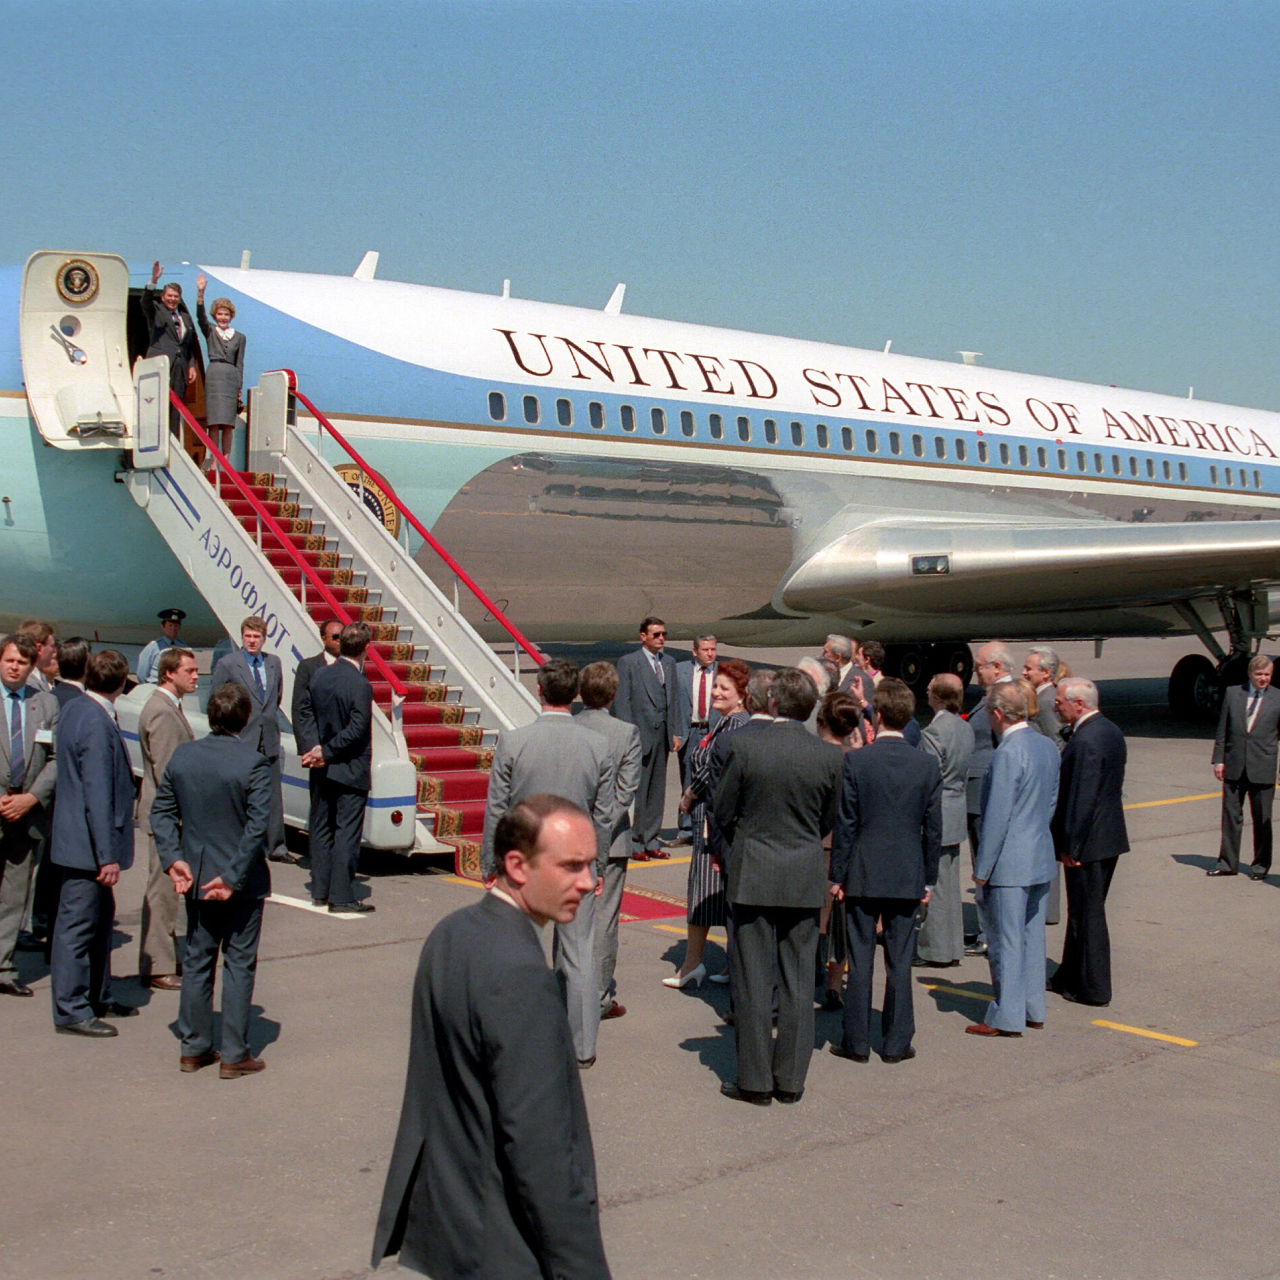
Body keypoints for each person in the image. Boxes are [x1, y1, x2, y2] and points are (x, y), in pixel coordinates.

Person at [372, 795, 611, 1278]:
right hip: (503, 1245)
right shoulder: (520, 974)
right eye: (571, 866)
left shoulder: (451, 932)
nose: (588, 882)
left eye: (591, 865)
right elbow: (539, 1149)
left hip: (451, 1226)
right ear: (517, 865)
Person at [713, 668, 842, 1105]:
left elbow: (723, 809)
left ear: (772, 704)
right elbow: (829, 819)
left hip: (754, 871)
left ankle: (755, 1080)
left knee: (752, 979)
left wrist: (745, 843)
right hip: (804, 873)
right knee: (800, 979)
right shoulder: (827, 755)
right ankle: (790, 1079)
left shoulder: (746, 745)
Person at [480, 658, 612, 1066]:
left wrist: (492, 862)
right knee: (579, 956)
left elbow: (496, 809)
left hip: (528, 864)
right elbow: (603, 815)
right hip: (575, 862)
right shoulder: (597, 746)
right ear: (574, 696)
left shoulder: (514, 742)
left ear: (540, 691)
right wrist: (600, 865)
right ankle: (582, 1048)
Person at [152, 683, 273, 1078]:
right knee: (238, 964)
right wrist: (234, 876)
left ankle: (194, 1047)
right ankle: (235, 1052)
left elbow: (162, 813)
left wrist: (174, 860)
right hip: (240, 881)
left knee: (198, 960)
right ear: (245, 718)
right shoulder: (252, 763)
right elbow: (258, 829)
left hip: (198, 875)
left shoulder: (185, 757)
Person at [830, 678, 942, 1065]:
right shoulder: (927, 765)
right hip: (907, 872)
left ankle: (856, 1041)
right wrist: (929, 879)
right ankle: (896, 1042)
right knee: (900, 960)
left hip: (863, 870)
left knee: (860, 960)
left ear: (876, 716)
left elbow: (846, 823)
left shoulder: (857, 761)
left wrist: (838, 875)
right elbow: (934, 828)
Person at [49, 650, 136, 1038]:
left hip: (77, 840)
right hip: (88, 847)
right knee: (77, 928)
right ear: (121, 682)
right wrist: (107, 856)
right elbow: (97, 794)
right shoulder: (97, 722)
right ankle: (71, 1008)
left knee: (99, 924)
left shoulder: (76, 708)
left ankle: (96, 995)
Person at [966, 681, 1060, 1038]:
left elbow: (997, 816)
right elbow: (1050, 801)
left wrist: (983, 868)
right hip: (1039, 853)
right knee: (1032, 938)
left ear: (997, 714)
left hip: (1010, 862)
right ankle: (1034, 1007)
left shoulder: (1007, 753)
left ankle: (1007, 1014)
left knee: (1006, 941)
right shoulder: (1046, 745)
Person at [667, 658, 751, 988]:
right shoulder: (722, 722)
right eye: (715, 685)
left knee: (705, 890)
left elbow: (711, 769)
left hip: (712, 818)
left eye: (723, 688)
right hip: (708, 815)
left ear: (741, 695)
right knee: (711, 890)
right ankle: (714, 963)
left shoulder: (734, 726)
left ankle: (693, 964)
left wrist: (689, 794)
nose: (715, 691)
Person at [1050, 678, 1129, 1007]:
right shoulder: (1109, 730)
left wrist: (1072, 846)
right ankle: (1069, 975)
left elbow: (1081, 799)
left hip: (1088, 844)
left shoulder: (1086, 742)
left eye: (1060, 701)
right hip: (1106, 838)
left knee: (1088, 914)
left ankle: (1094, 987)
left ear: (1078, 704)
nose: (1056, 706)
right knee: (1082, 912)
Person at [575, 661, 641, 1022]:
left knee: (569, 918)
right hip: (610, 843)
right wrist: (598, 832)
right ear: (613, 696)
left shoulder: (569, 728)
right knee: (604, 921)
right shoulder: (626, 733)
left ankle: (567, 986)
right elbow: (625, 791)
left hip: (567, 842)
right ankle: (598, 995)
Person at [298, 622, 375, 913]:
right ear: (366, 649)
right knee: (346, 832)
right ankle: (341, 895)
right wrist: (326, 752)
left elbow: (304, 710)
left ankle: (320, 889)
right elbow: (357, 729)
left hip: (321, 765)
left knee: (321, 827)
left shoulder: (320, 675)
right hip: (348, 765)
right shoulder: (360, 684)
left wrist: (314, 747)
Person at [136, 647, 198, 990]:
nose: (194, 676)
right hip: (166, 820)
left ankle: (163, 957)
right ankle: (157, 965)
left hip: (167, 818)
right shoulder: (161, 712)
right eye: (188, 670)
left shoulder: (169, 707)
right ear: (168, 674)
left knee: (166, 893)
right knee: (161, 893)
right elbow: (166, 773)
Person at [0, 635, 58, 998]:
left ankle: (3, 966)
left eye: (21, 662)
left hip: (26, 813)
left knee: (14, 894)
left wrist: (33, 798)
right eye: (8, 660)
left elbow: (55, 758)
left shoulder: (46, 703)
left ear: (30, 666)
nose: (14, 666)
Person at [212, 616, 292, 865]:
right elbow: (216, 701)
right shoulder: (228, 664)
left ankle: (276, 846)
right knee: (239, 793)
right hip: (240, 737)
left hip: (267, 737)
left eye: (256, 637)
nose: (251, 641)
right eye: (247, 636)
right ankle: (238, 844)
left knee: (272, 795)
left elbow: (275, 699)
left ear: (264, 638)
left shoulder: (273, 663)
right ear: (241, 637)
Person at [915, 673, 976, 968]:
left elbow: (928, 779)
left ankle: (935, 949)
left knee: (936, 884)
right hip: (957, 806)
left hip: (938, 810)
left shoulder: (933, 733)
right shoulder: (965, 728)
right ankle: (952, 946)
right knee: (950, 881)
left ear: (937, 697)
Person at [613, 616, 681, 860]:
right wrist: (629, 736)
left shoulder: (669, 662)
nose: (661, 638)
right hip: (640, 734)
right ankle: (635, 842)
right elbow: (623, 703)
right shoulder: (629, 662)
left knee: (657, 791)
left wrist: (675, 731)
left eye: (664, 634)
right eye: (656, 634)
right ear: (643, 636)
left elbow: (673, 700)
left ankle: (651, 838)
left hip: (661, 734)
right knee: (639, 791)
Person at [964, 641, 1016, 956]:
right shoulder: (993, 695)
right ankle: (988, 929)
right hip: (979, 791)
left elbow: (1004, 749)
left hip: (983, 793)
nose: (976, 671)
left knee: (986, 864)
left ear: (996, 667)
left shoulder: (1003, 698)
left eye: (980, 665)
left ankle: (989, 933)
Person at [1209, 654, 1280, 879]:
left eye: (1267, 675)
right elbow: (1223, 729)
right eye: (1259, 674)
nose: (1263, 679)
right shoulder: (1233, 693)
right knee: (1230, 816)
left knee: (1262, 819)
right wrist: (1219, 760)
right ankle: (1227, 863)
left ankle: (1260, 866)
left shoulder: (1278, 698)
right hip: (1235, 764)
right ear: (1250, 674)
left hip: (1263, 765)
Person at [815, 690, 864, 1010]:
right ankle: (835, 985)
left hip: (816, 845)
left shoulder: (814, 755)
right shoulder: (856, 760)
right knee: (840, 923)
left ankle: (807, 978)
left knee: (812, 921)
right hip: (847, 847)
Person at [141, 262, 200, 433]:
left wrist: (191, 365)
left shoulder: (186, 319)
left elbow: (188, 345)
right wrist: (153, 280)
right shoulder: (157, 311)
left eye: (176, 296)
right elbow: (145, 302)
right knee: (157, 405)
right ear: (163, 297)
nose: (173, 299)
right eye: (169, 296)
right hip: (160, 366)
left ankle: (173, 441)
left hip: (179, 368)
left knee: (176, 408)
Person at [672, 634, 719, 844]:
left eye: (713, 649)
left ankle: (708, 827)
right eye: (705, 650)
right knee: (688, 779)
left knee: (714, 779)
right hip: (690, 732)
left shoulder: (722, 672)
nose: (710, 653)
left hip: (713, 732)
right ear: (694, 652)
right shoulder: (680, 670)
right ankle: (686, 830)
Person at [195, 274, 246, 460]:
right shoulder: (210, 331)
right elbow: (199, 317)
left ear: (231, 316)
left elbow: (240, 362)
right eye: (220, 314)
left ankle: (226, 460)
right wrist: (201, 293)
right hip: (215, 376)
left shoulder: (240, 337)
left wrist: (239, 385)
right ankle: (213, 459)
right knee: (214, 423)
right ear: (215, 315)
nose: (223, 317)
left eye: (226, 314)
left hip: (230, 379)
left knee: (228, 424)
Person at [1023, 645, 1064, 743]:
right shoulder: (1043, 697)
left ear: (1046, 673)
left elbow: (1054, 740)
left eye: (1029, 669)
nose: (1023, 673)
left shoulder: (1046, 702)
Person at [136, 609, 187, 685]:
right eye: (170, 625)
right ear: (163, 627)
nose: (173, 628)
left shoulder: (183, 647)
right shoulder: (152, 647)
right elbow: (142, 674)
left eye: (176, 626)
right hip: (156, 685)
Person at [16, 620, 57, 694]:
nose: (55, 651)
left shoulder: (40, 676)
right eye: (52, 646)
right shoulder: (25, 680)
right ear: (39, 648)